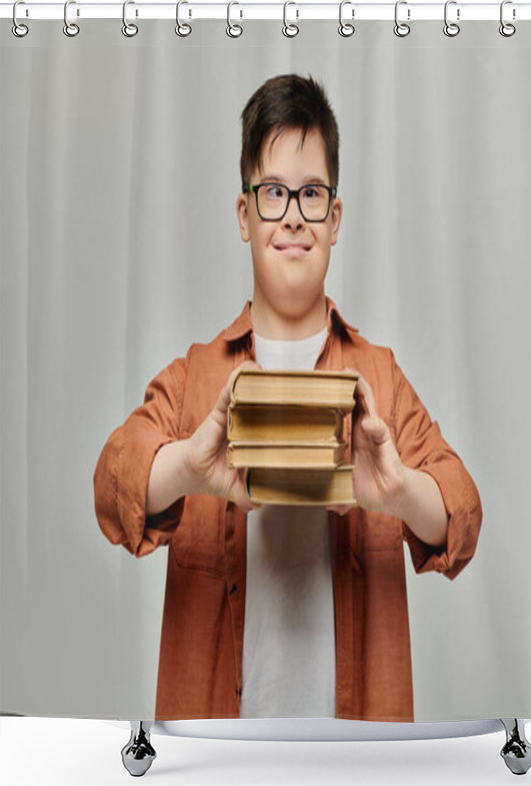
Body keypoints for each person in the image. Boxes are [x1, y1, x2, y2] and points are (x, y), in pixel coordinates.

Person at [93, 74, 481, 723]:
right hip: (219, 755)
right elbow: (110, 487)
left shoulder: (379, 379)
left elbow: (462, 513)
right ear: (245, 216)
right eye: (274, 193)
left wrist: (397, 492)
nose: (294, 214)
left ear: (334, 219)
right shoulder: (194, 377)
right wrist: (188, 468)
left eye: (310, 194)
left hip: (355, 756)